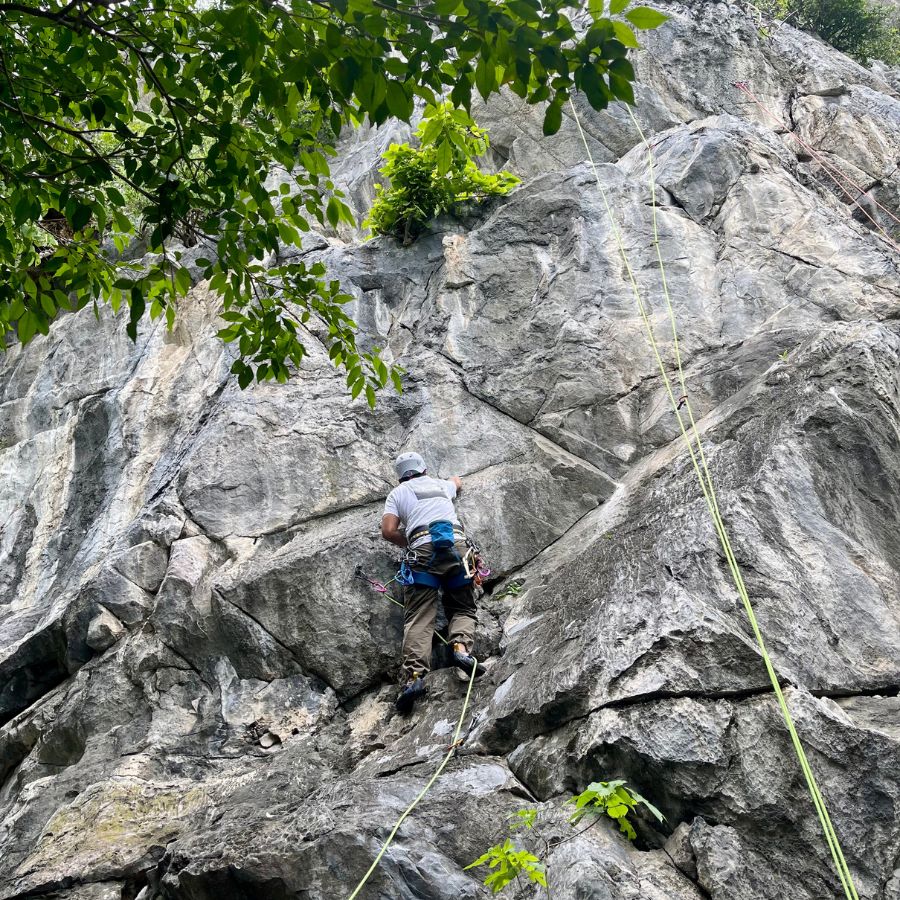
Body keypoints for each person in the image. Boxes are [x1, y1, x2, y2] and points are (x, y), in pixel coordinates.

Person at [381, 451, 486, 713]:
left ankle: (415, 678)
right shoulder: (440, 485)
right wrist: (451, 480)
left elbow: (388, 530)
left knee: (419, 617)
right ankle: (461, 648)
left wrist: (410, 543)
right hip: (457, 548)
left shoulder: (398, 494)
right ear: (424, 470)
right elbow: (457, 482)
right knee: (463, 607)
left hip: (422, 554)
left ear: (401, 476)